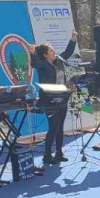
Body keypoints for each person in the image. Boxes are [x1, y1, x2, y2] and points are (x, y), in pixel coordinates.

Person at [29, 30, 78, 166]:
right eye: (51, 51)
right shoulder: (43, 65)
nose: (53, 52)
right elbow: (35, 64)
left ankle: (59, 153)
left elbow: (67, 53)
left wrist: (73, 39)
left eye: (53, 50)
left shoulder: (59, 62)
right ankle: (46, 155)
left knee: (60, 126)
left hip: (62, 98)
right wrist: (32, 53)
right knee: (53, 127)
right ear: (45, 55)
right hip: (49, 100)